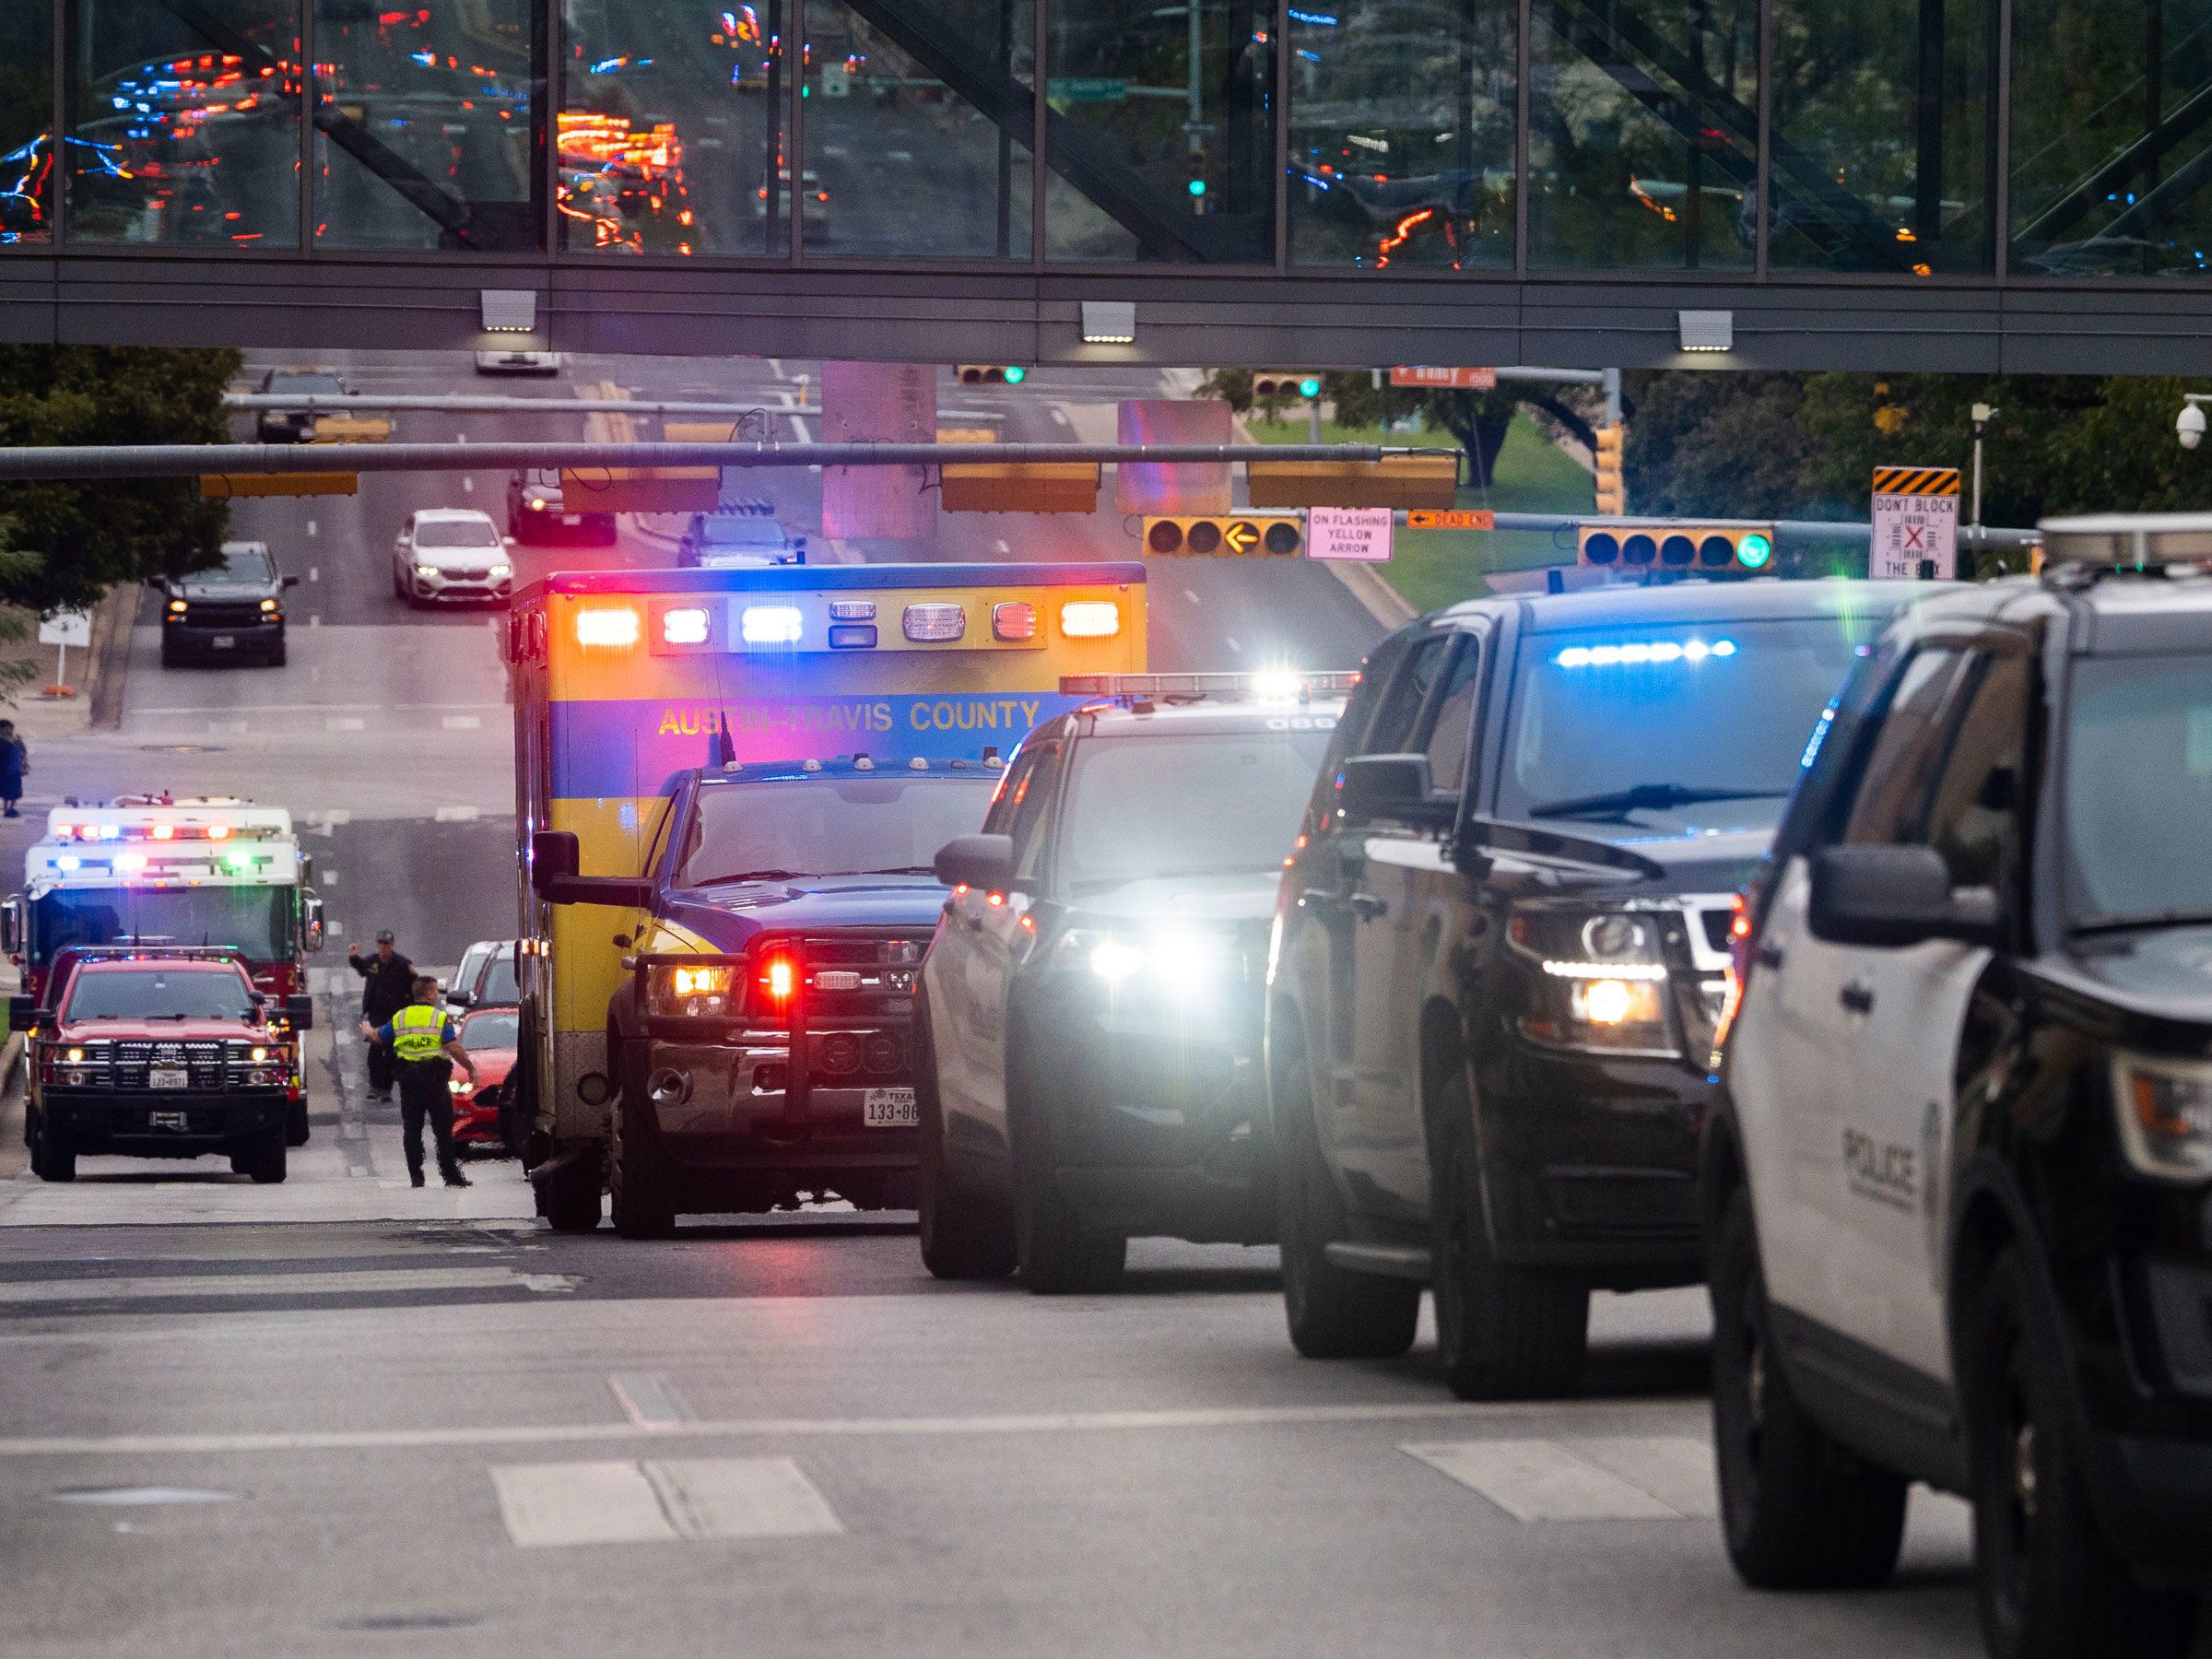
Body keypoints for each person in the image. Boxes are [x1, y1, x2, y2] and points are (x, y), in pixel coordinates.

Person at [360, 974, 480, 1189]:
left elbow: (379, 1037)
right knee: (443, 1130)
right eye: (435, 992)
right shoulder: (438, 1018)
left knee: (412, 1129)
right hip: (435, 1080)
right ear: (429, 994)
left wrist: (369, 1031)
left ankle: (416, 1176)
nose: (437, 996)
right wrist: (470, 1068)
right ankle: (450, 1175)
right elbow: (452, 1046)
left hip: (409, 1082)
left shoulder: (401, 1018)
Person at [348, 931, 414, 1101]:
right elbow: (362, 968)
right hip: (376, 1013)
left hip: (394, 1015)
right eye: (381, 944)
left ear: (392, 946)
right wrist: (354, 957)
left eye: (387, 944)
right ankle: (374, 1086)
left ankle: (386, 1088)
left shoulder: (402, 964)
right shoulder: (373, 962)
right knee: (375, 1051)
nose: (383, 947)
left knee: (391, 1052)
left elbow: (414, 984)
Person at [0, 720, 26, 818]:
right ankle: (6, 809)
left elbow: (22, 751)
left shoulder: (16, 740)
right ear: (1, 729)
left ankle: (11, 808)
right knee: (6, 790)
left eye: (10, 728)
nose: (9, 730)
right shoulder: (2, 741)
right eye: (7, 728)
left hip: (15, 769)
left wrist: (24, 763)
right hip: (4, 770)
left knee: (15, 790)